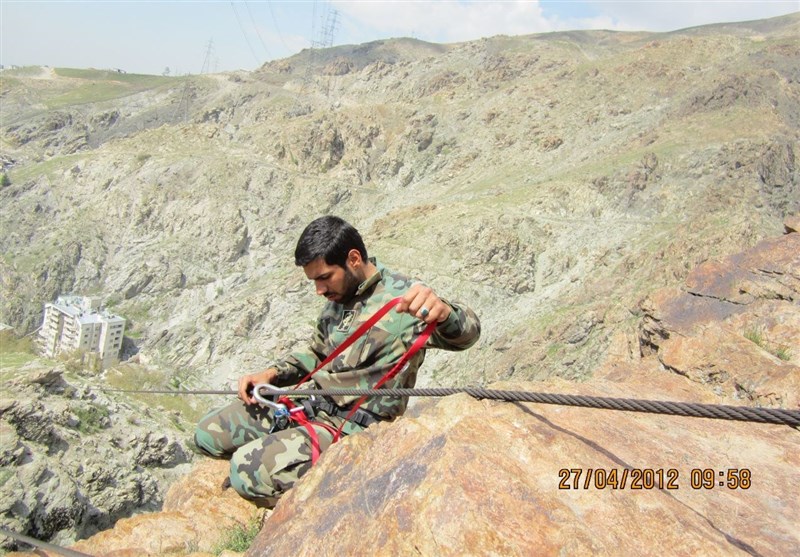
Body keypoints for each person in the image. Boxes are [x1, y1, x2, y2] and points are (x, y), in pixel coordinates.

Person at [194, 216, 480, 506]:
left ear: (353, 259)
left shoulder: (403, 301)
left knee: (246, 472)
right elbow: (318, 354)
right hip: (312, 405)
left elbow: (467, 335)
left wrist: (445, 314)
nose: (319, 290)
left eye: (323, 277)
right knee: (206, 433)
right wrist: (273, 374)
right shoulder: (338, 300)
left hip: (354, 428)